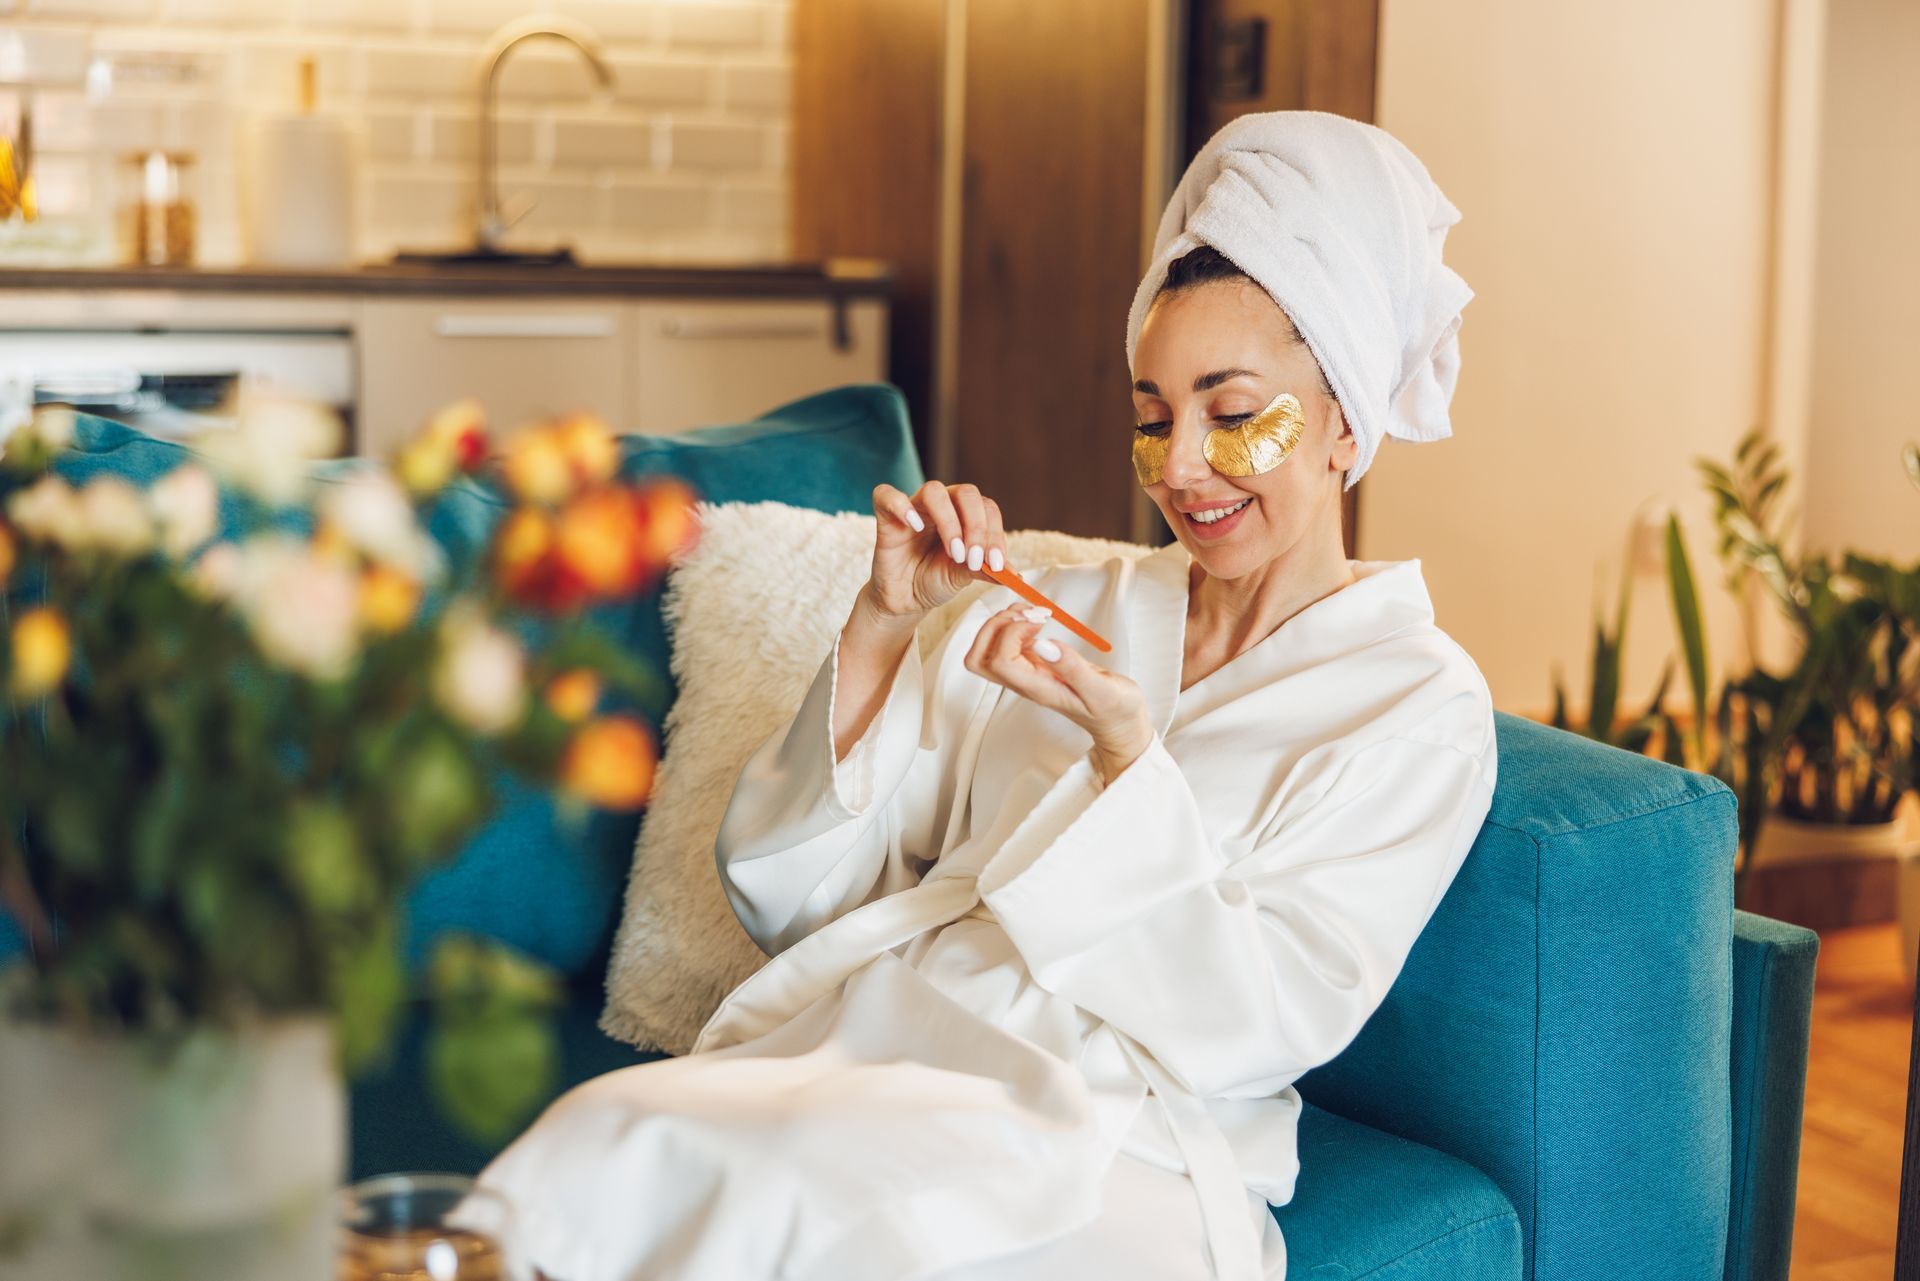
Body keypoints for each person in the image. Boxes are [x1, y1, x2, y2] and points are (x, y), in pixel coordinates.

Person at [471, 110, 1494, 1281]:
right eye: (1155, 420)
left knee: (814, 1224)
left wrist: (1124, 762)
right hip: (878, 1054)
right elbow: (797, 898)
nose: (1185, 469)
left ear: (1347, 419)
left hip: (1124, 1137)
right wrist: (884, 624)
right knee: (598, 1141)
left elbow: (1260, 1021)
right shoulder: (1066, 607)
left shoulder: (1416, 705)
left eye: (1233, 411)